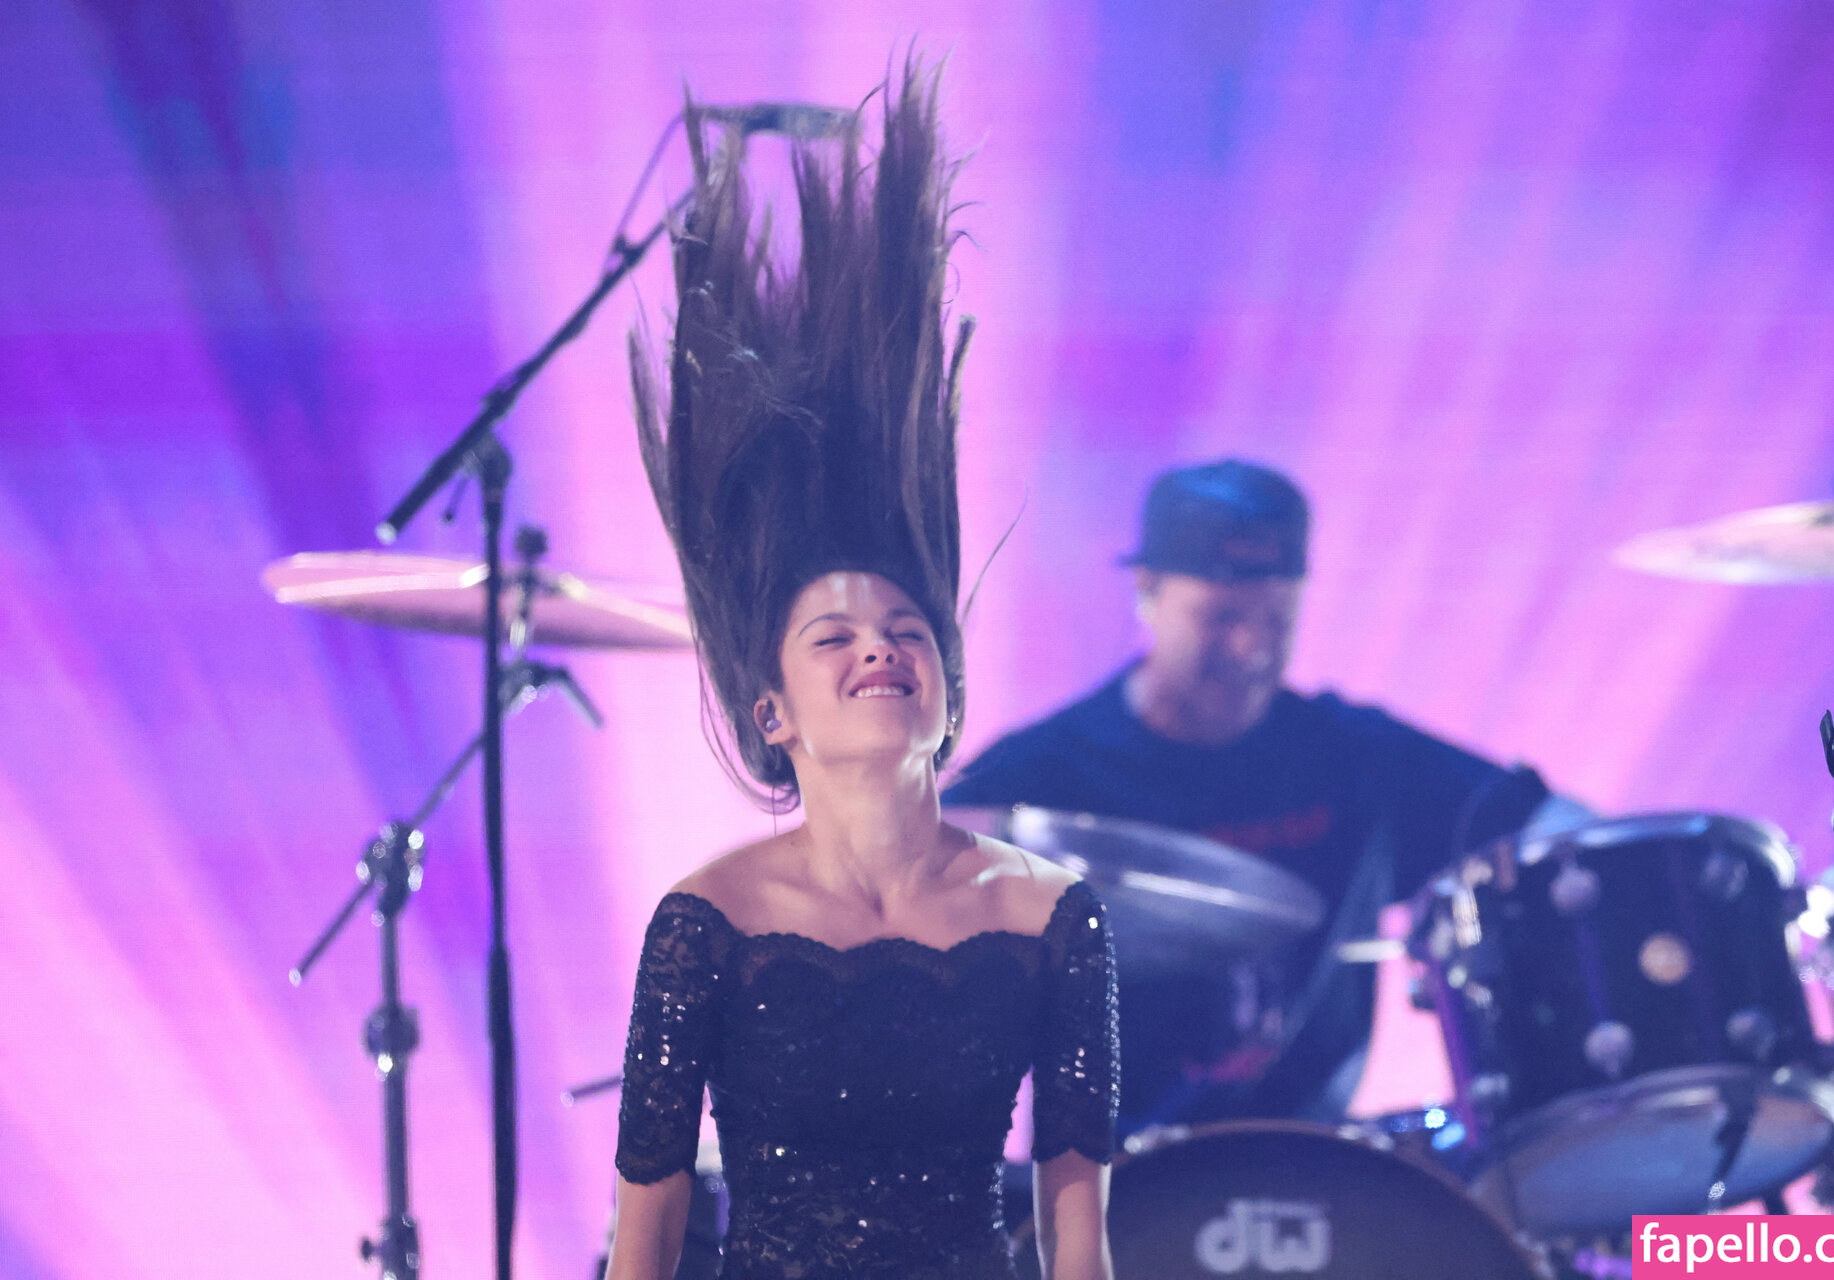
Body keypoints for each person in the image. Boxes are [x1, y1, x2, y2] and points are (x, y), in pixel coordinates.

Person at [605, 67, 1119, 1280]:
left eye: (906, 629)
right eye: (832, 638)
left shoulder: (1053, 916)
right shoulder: (706, 922)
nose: (879, 645)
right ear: (771, 711)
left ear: (947, 689)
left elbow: (1079, 1239)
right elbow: (646, 1240)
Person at [943, 459, 1557, 1129]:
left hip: (1315, 1154)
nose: (1250, 648)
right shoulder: (1046, 772)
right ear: (1147, 591)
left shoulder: (1356, 755)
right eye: (1221, 617)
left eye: (1276, 619)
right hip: (1114, 1164)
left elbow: (1556, 833)